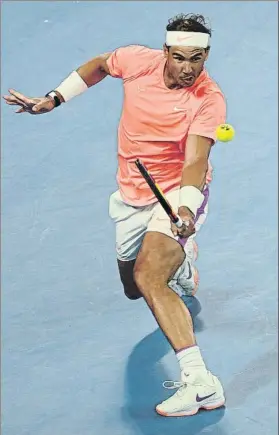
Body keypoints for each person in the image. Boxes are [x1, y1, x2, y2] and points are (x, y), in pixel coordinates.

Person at [4, 13, 227, 417]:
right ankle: (182, 267)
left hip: (175, 194)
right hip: (131, 192)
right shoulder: (136, 61)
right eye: (180, 57)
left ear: (206, 56)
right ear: (165, 52)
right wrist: (54, 99)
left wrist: (185, 209)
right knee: (134, 286)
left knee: (148, 275)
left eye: (198, 58)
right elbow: (99, 66)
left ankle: (200, 383)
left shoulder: (208, 99)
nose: (189, 68)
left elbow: (195, 160)